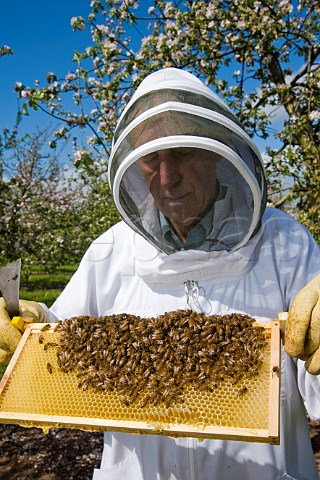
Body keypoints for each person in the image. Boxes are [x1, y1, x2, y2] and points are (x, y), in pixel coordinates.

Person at [1, 67, 320, 480]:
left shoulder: (286, 244)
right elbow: (62, 348)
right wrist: (28, 327)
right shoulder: (109, 251)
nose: (167, 178)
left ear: (217, 152)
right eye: (151, 158)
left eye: (183, 151)